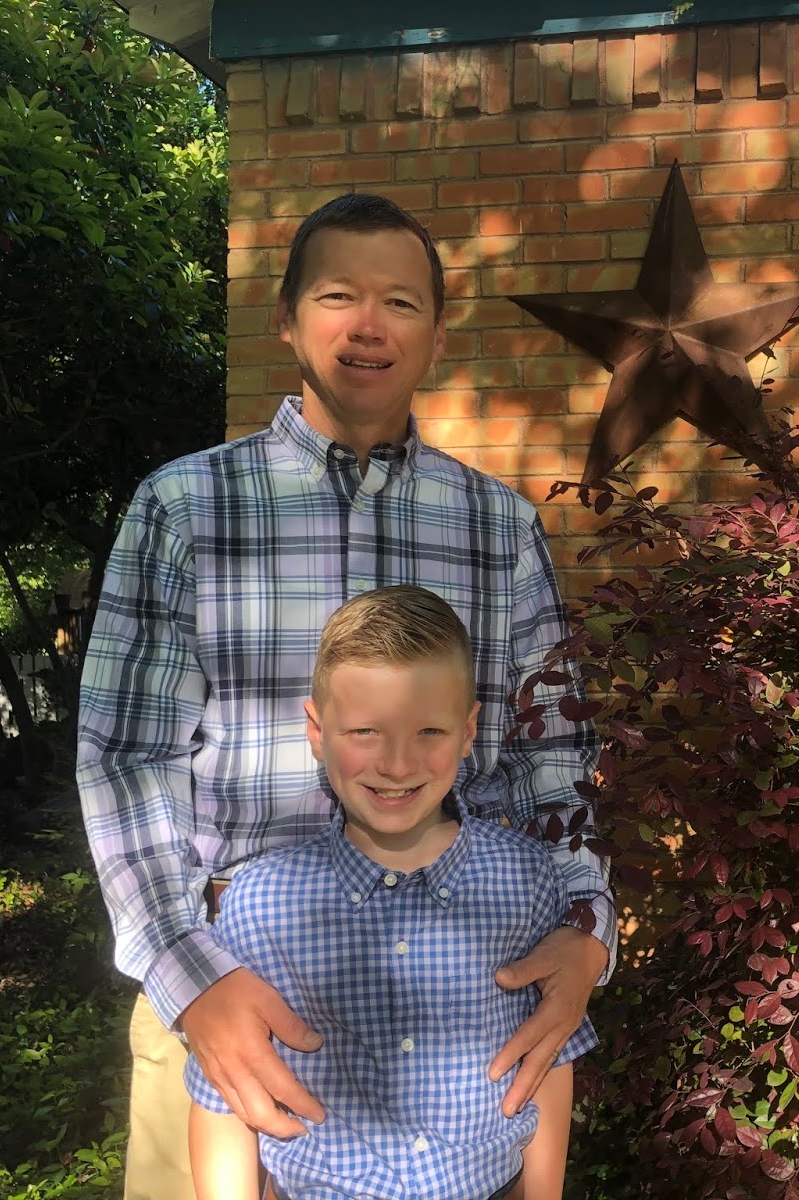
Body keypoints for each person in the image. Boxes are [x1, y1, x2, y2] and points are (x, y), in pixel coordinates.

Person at [77, 193, 614, 1200]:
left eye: (401, 302)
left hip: (461, 1009)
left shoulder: (498, 527)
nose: (369, 326)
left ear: (438, 334)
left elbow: (555, 755)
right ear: (286, 318)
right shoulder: (185, 509)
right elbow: (126, 758)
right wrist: (192, 979)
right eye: (337, 296)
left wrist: (586, 931)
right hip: (229, 988)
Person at [187, 585, 594, 1200]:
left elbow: (549, 1054)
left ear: (468, 730)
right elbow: (222, 1093)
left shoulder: (526, 878)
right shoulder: (260, 902)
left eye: (429, 730)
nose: (398, 764)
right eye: (365, 732)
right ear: (317, 731)